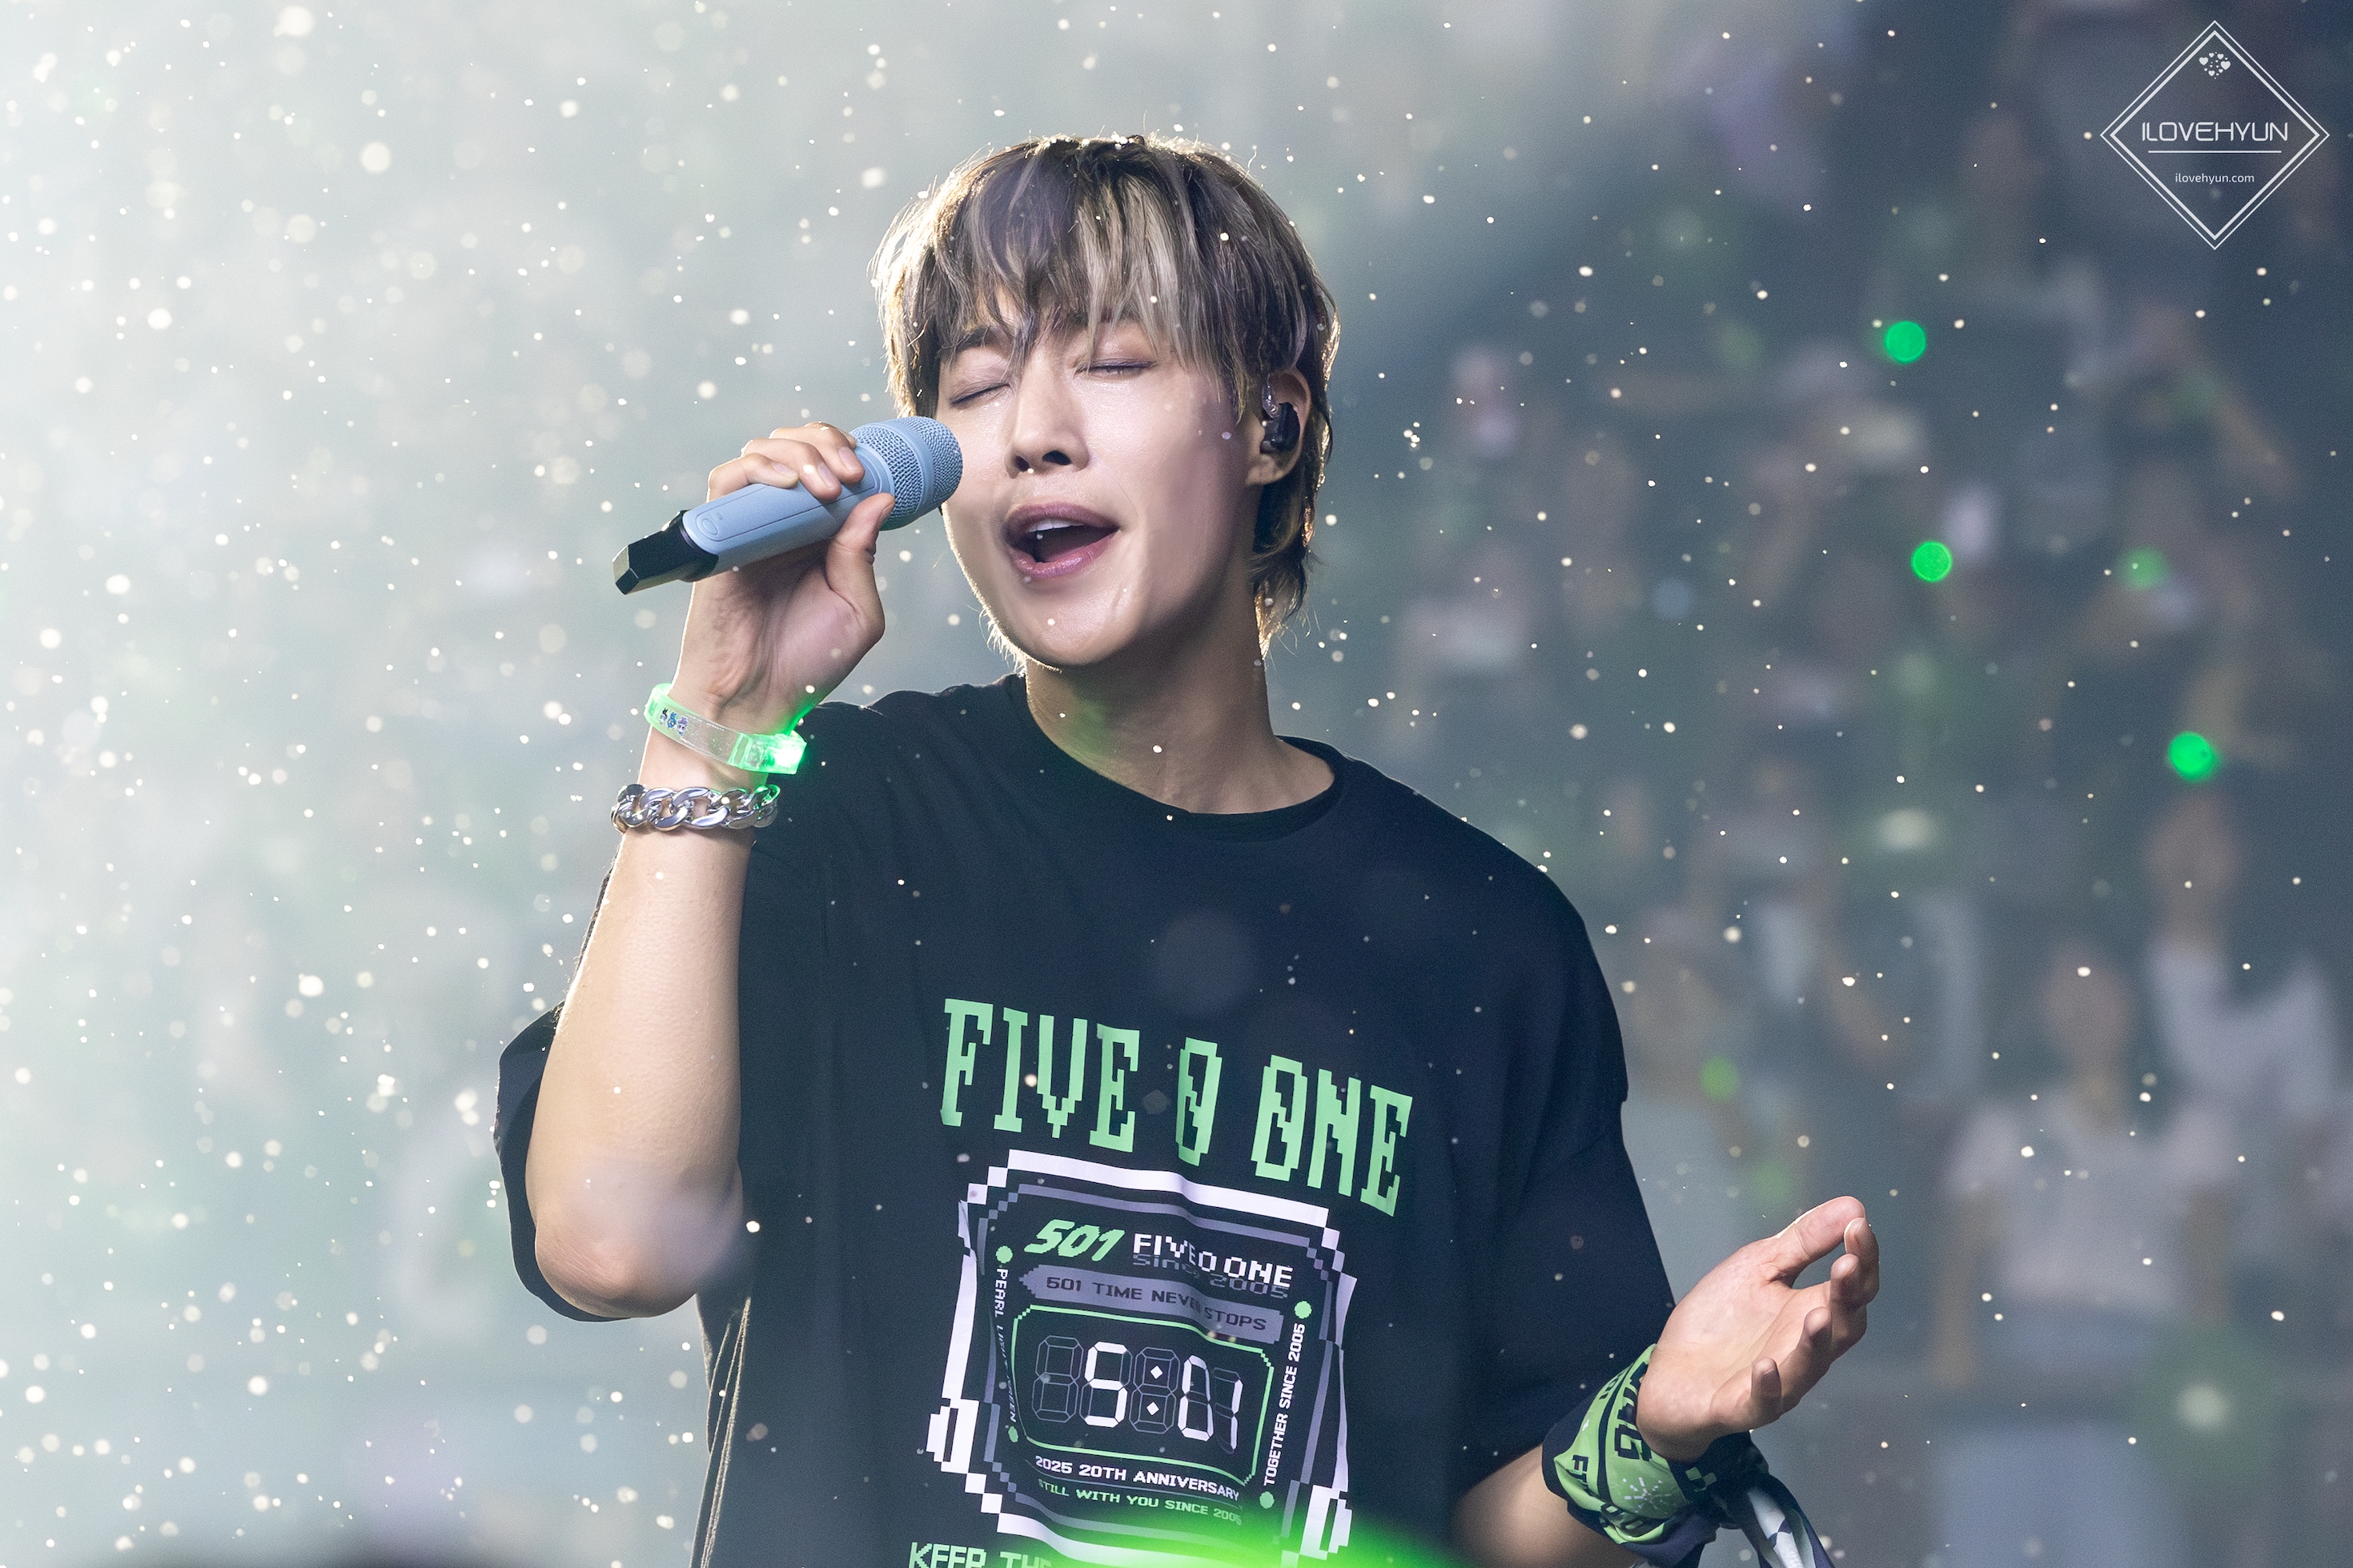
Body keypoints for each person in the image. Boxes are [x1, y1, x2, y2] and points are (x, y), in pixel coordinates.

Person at [495, 134, 1877, 1568]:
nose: (1032, 429)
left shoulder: (1480, 942)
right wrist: (716, 728)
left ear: (1270, 423)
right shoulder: (835, 816)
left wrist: (1652, 1429)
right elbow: (611, 1242)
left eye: (1112, 361)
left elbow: (1477, 1534)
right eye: (975, 383)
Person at [1930, 936, 2230, 1568]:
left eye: (2097, 983)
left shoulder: (2184, 1120)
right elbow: (1961, 1255)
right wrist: (1954, 1342)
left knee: (2119, 1545)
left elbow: (2206, 1268)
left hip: (2136, 1365)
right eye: (2064, 986)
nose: (2081, 1004)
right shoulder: (2003, 1119)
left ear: (2134, 996)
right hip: (2015, 1361)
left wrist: (2201, 1368)